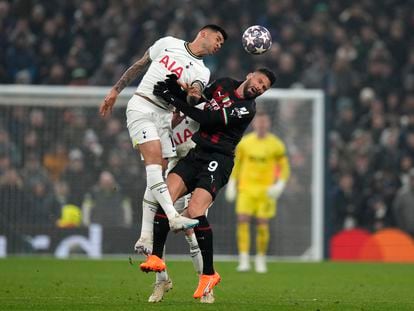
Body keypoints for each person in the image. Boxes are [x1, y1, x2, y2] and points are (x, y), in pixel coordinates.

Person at [139, 68, 276, 300]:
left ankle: (208, 274)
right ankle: (157, 259)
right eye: (260, 81)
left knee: (194, 211)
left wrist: (172, 98)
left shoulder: (247, 109)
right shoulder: (224, 82)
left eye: (264, 88)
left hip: (218, 160)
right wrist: (176, 90)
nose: (260, 87)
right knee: (165, 199)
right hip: (196, 152)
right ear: (250, 74)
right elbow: (199, 103)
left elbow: (206, 118)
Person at [99, 25, 227, 255]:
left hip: (164, 118)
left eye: (222, 44)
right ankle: (172, 216)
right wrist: (116, 90)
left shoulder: (202, 71)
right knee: (155, 163)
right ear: (203, 33)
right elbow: (139, 65)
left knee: (162, 170)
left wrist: (191, 94)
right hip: (142, 105)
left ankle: (145, 235)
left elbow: (194, 93)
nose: (219, 45)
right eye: (218, 39)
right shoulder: (168, 42)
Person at [224, 111, 290, 273]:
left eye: (264, 122)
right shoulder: (245, 143)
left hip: (266, 190)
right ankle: (244, 259)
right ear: (254, 124)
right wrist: (232, 183)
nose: (261, 125)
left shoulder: (276, 144)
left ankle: (261, 258)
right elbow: (237, 164)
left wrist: (280, 184)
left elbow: (284, 167)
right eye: (259, 122)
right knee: (242, 220)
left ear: (268, 124)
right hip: (246, 188)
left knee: (262, 223)